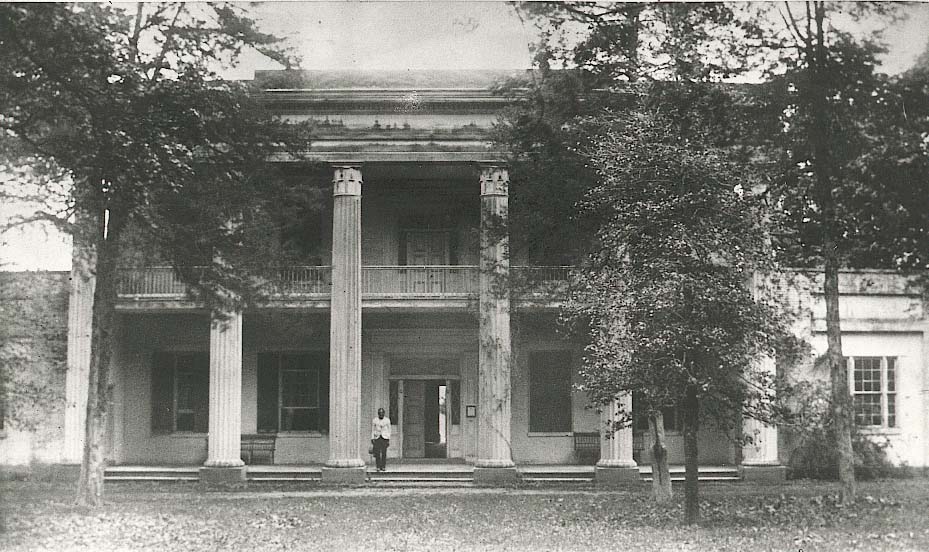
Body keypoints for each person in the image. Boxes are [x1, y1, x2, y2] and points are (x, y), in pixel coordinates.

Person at [371, 407, 391, 472]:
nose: (381, 414)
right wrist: (372, 438)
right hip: (377, 437)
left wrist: (388, 438)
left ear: (384, 414)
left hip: (384, 438)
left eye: (382, 413)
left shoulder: (387, 420)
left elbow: (389, 430)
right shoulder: (375, 420)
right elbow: (373, 430)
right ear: (378, 414)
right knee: (377, 453)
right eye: (380, 413)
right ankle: (378, 466)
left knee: (384, 452)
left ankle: (383, 466)